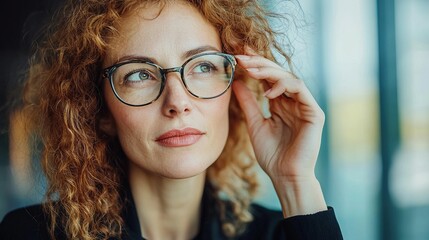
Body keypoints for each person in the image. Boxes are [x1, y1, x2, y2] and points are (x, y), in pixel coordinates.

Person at [0, 0, 343, 239]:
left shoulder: (283, 233)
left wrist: (295, 183)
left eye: (204, 66)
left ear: (235, 89)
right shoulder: (28, 234)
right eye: (138, 75)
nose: (178, 102)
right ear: (100, 110)